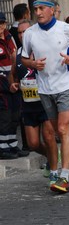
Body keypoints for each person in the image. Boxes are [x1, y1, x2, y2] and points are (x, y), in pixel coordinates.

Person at [21, 0, 69, 193]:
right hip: (45, 88)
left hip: (67, 86)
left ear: (52, 9)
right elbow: (24, 59)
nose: (38, 13)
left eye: (41, 8)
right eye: (35, 9)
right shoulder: (30, 33)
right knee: (60, 132)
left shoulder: (67, 29)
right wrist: (33, 63)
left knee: (63, 129)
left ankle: (63, 178)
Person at [14, 19, 58, 175]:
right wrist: (14, 84)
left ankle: (54, 171)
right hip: (28, 105)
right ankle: (53, 157)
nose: (21, 35)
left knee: (49, 138)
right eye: (19, 32)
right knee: (33, 143)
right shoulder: (17, 53)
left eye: (25, 31)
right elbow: (13, 76)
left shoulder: (42, 49)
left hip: (45, 102)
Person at [0, 10, 26, 159]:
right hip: (2, 87)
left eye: (2, 23)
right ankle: (3, 149)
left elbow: (15, 58)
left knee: (15, 116)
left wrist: (15, 79)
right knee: (4, 117)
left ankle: (12, 145)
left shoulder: (10, 37)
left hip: (13, 82)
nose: (1, 26)